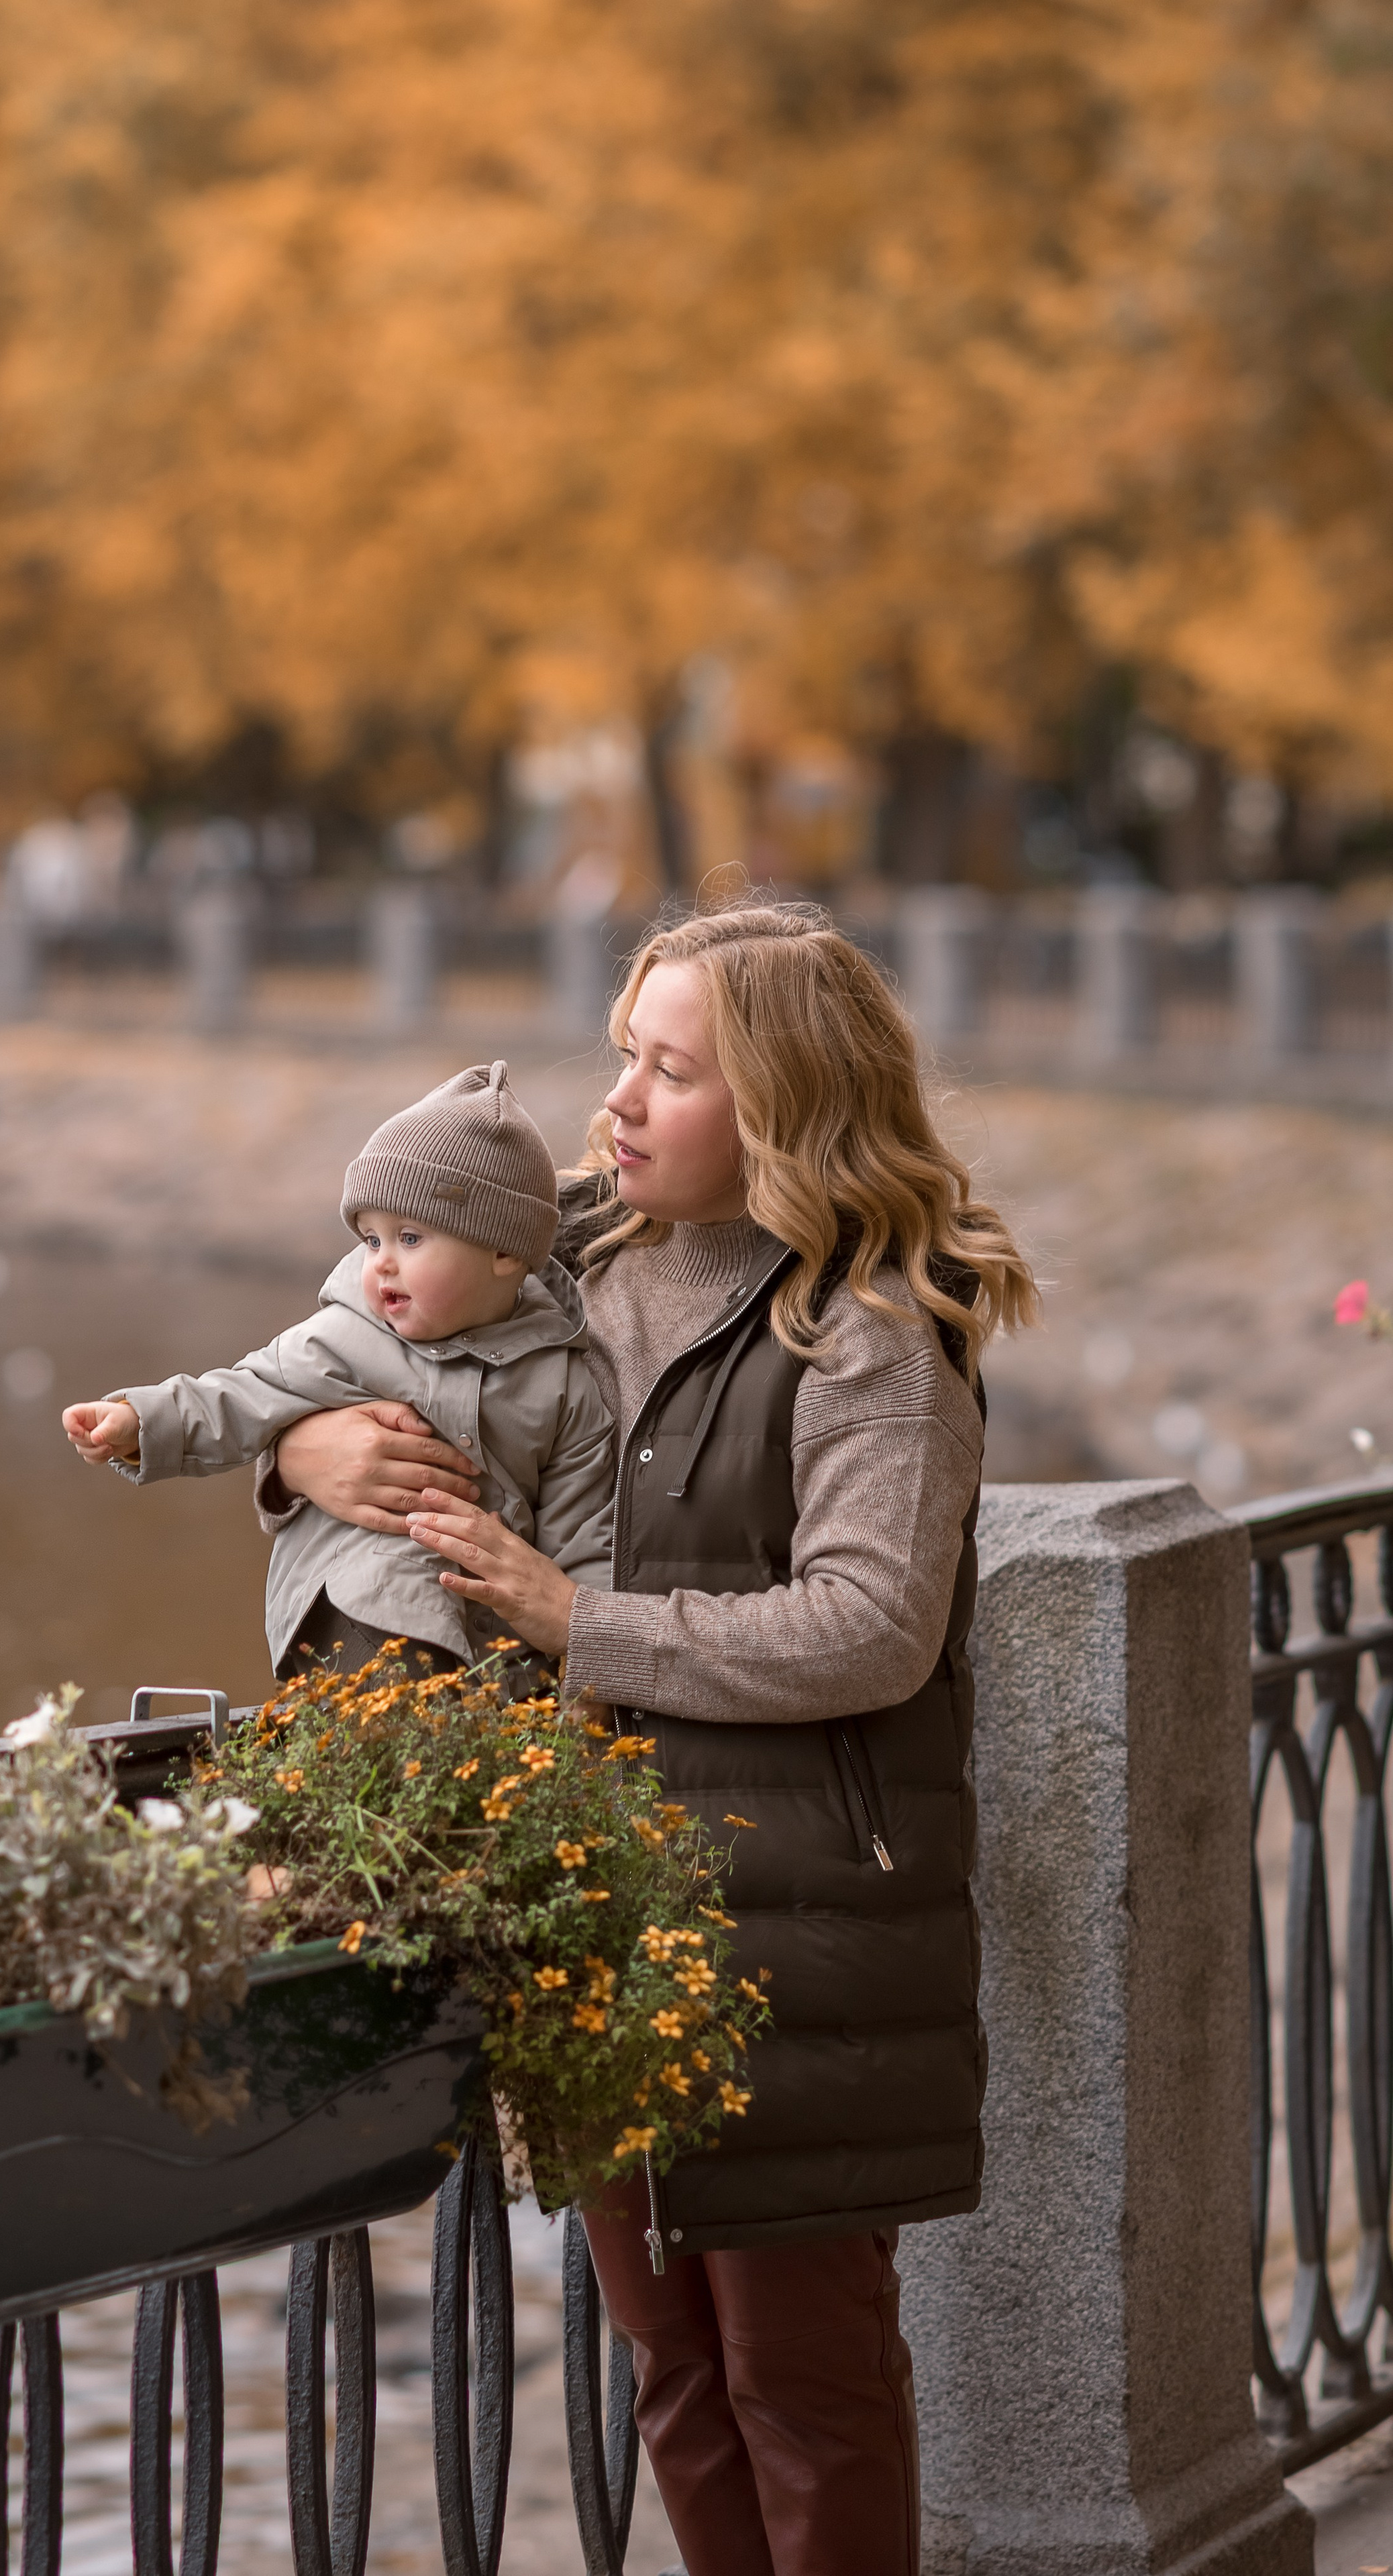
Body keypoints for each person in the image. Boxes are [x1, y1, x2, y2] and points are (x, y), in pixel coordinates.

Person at [260, 905, 1039, 2576]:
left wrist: (574, 1619)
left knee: (801, 2384)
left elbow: (870, 1627)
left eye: (668, 1070)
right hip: (602, 1907)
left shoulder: (866, 1328)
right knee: (671, 2374)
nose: (613, 1099)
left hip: (795, 1937)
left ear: (782, 1106)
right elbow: (358, 1338)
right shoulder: (565, 1253)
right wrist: (303, 1450)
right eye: (623, 1053)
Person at [59, 1061, 615, 1677]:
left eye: (409, 1238)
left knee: (492, 1700)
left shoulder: (564, 1381)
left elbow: (584, 1534)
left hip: (492, 1639)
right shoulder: (344, 1339)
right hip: (356, 1598)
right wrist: (139, 1424)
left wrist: (587, 1674)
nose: (381, 1263)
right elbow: (241, 1396)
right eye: (371, 1240)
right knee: (388, 1622)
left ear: (505, 1251)